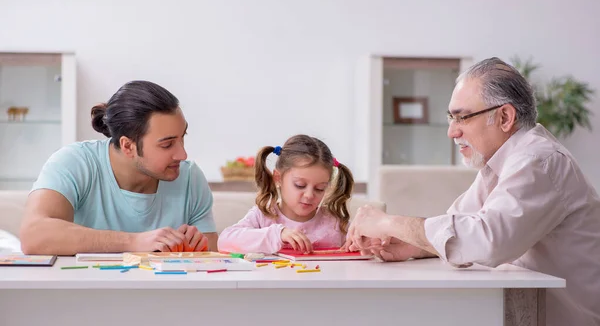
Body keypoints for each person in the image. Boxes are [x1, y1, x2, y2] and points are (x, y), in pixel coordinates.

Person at [347, 57, 600, 325]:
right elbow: (460, 225)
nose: (452, 132)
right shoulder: (501, 163)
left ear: (504, 117)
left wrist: (388, 222)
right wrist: (411, 246)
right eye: (450, 118)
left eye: (462, 117)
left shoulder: (539, 161)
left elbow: (485, 240)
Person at [20, 80, 217, 255]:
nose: (182, 155)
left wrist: (196, 246)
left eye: (183, 138)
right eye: (167, 145)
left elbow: (211, 255)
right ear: (128, 146)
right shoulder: (76, 162)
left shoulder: (190, 177)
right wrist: (134, 241)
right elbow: (34, 235)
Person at [218, 134, 354, 254]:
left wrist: (367, 242)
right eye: (300, 185)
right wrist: (277, 234)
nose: (309, 195)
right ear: (278, 178)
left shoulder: (335, 223)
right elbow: (225, 240)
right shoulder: (263, 216)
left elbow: (363, 247)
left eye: (319, 188)